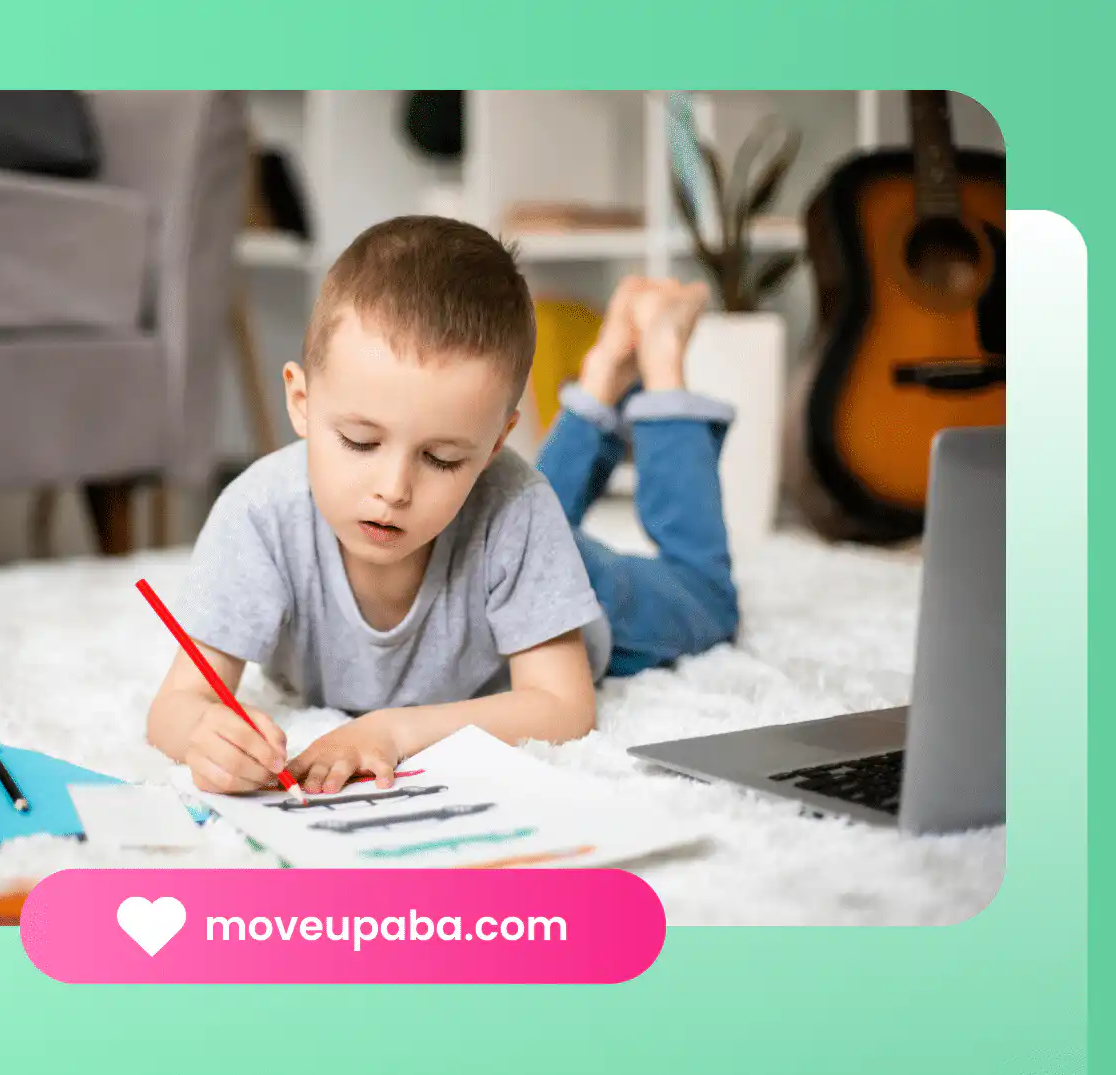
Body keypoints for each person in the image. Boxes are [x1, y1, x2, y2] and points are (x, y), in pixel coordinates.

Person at [145, 216, 738, 795]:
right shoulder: (258, 516)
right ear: (301, 400)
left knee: (707, 601)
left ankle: (660, 367)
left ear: (493, 444)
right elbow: (175, 706)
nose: (394, 489)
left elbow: (564, 708)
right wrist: (207, 736)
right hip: (491, 520)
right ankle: (602, 378)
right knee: (512, 496)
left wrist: (394, 730)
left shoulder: (516, 509)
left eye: (443, 458)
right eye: (360, 442)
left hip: (569, 573)